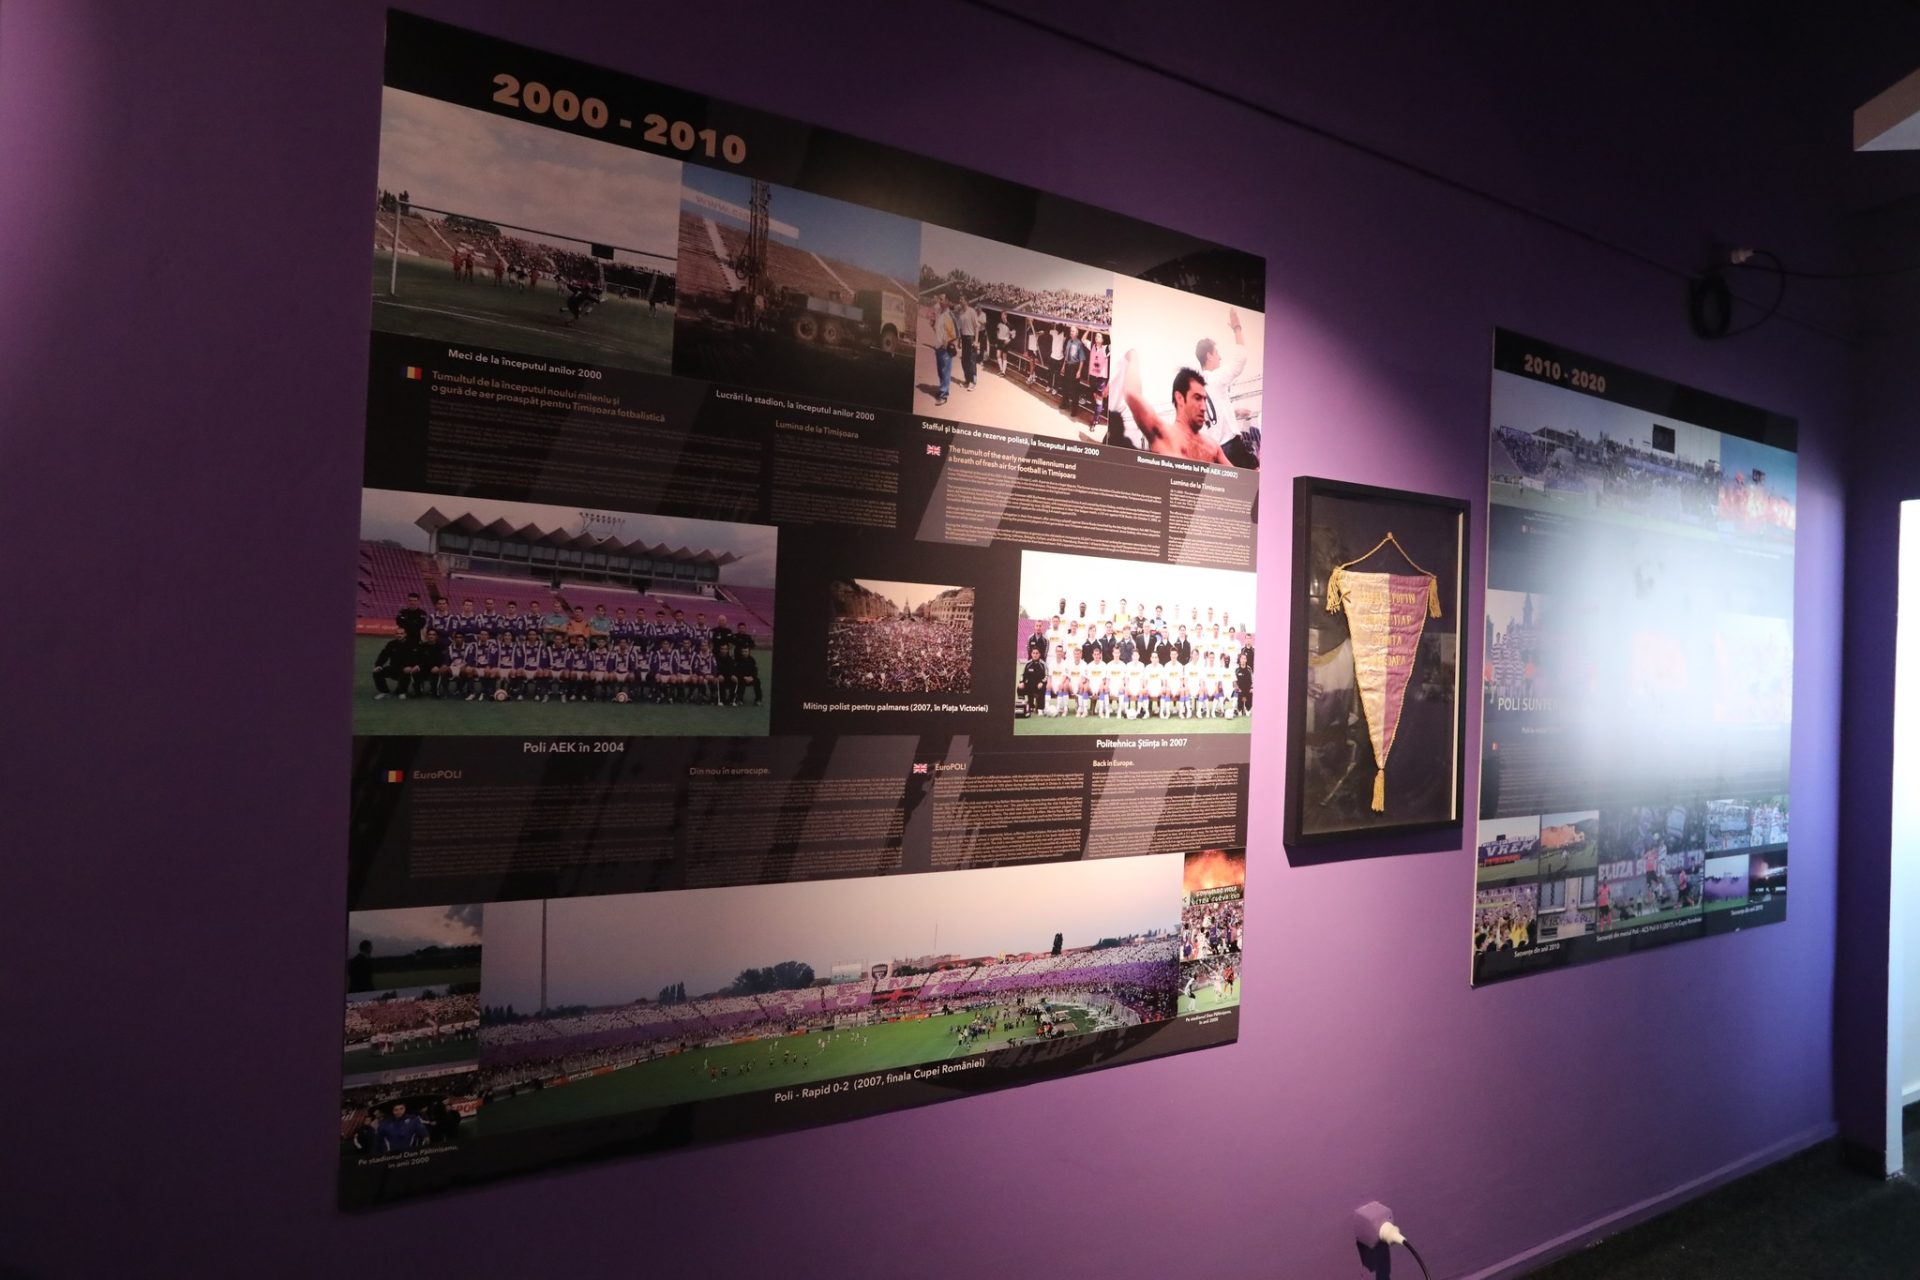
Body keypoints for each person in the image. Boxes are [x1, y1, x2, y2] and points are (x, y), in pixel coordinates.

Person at [1120, 352, 1232, 465]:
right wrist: (1133, 357)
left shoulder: (1212, 447)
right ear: (1180, 398)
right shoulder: (1162, 434)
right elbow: (1132, 394)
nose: (1203, 407)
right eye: (1197, 398)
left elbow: (1236, 475)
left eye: (1204, 399)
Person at [1195, 307, 1257, 466]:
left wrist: (1233, 412)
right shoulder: (1215, 378)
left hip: (1216, 452)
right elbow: (1240, 360)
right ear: (1209, 356)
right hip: (1231, 447)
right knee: (1256, 474)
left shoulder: (1199, 385)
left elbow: (1212, 414)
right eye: (1217, 353)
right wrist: (1237, 328)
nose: (1220, 357)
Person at [371, 626, 415, 699]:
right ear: (395, 635)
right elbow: (383, 655)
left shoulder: (411, 644)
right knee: (377, 672)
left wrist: (411, 666)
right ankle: (384, 692)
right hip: (393, 668)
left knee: (406, 672)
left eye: (401, 633)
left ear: (405, 634)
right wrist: (378, 665)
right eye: (397, 633)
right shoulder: (391, 644)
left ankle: (402, 692)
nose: (399, 635)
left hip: (406, 669)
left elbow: (416, 657)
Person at [930, 295, 959, 406]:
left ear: (947, 301)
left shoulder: (949, 315)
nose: (939, 301)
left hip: (945, 349)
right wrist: (933, 325)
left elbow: (956, 332)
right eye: (939, 299)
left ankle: (943, 396)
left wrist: (947, 343)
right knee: (940, 371)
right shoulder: (941, 314)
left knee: (945, 372)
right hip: (938, 347)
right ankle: (942, 389)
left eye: (941, 299)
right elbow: (939, 330)